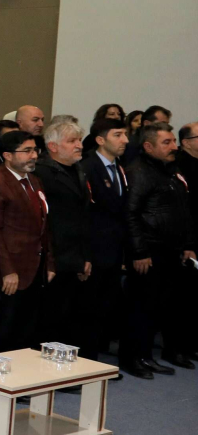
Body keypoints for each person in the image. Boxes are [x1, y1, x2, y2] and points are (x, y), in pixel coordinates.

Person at [122, 123, 195, 373]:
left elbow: (182, 211)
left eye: (173, 141)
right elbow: (131, 215)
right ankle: (134, 358)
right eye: (167, 142)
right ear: (148, 146)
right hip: (149, 251)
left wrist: (187, 245)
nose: (174, 146)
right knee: (141, 306)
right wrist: (139, 252)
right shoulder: (139, 172)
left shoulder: (170, 170)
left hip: (170, 250)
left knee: (160, 305)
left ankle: (147, 356)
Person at [0, 129, 54, 353]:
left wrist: (50, 263)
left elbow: (44, 224)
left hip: (36, 267)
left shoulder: (34, 180)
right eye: (27, 151)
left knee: (27, 330)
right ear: (7, 155)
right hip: (11, 270)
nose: (34, 155)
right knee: (3, 330)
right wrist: (7, 271)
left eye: (35, 150)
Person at [33, 119, 92, 347]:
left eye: (79, 140)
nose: (79, 145)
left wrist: (85, 256)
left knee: (70, 318)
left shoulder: (78, 170)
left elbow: (84, 218)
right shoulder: (41, 173)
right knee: (47, 319)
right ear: (53, 146)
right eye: (72, 141)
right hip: (52, 257)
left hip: (74, 255)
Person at [82, 119, 131, 367]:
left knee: (103, 308)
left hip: (113, 250)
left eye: (125, 135)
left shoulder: (119, 167)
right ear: (100, 140)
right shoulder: (88, 167)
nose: (125, 140)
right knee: (88, 310)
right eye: (118, 135)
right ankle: (85, 364)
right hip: (94, 250)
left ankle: (94, 364)